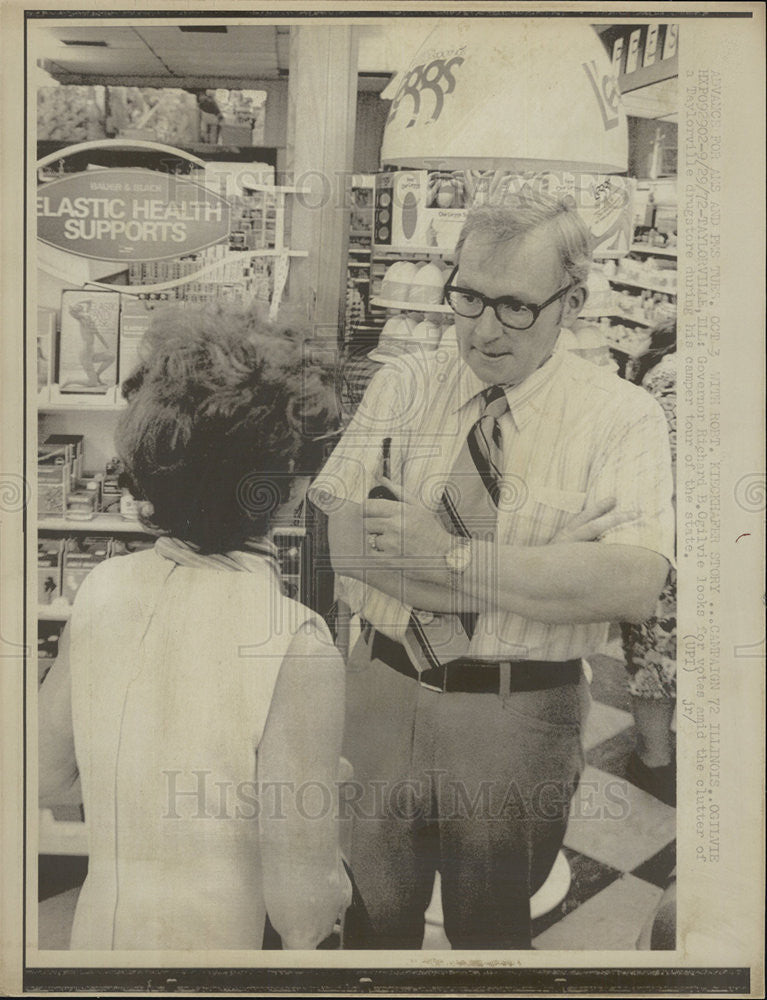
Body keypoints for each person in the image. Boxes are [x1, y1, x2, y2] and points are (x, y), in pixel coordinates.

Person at [310, 192, 674, 950]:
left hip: (521, 718)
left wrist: (439, 552)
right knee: (371, 923)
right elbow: (344, 546)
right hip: (380, 691)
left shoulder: (623, 417)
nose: (481, 328)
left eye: (513, 306)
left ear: (569, 304)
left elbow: (631, 585)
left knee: (490, 938)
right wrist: (544, 569)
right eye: (468, 297)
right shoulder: (404, 382)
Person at [39, 304, 351, 950]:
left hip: (100, 941)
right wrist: (324, 811)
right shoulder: (295, 642)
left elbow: (46, 775)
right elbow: (302, 910)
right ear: (287, 490)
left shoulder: (100, 589)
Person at [622, 319, 677, 806]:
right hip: (674, 538)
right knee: (657, 655)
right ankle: (651, 759)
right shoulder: (678, 377)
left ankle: (654, 755)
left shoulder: (664, 368)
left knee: (657, 654)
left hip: (667, 537)